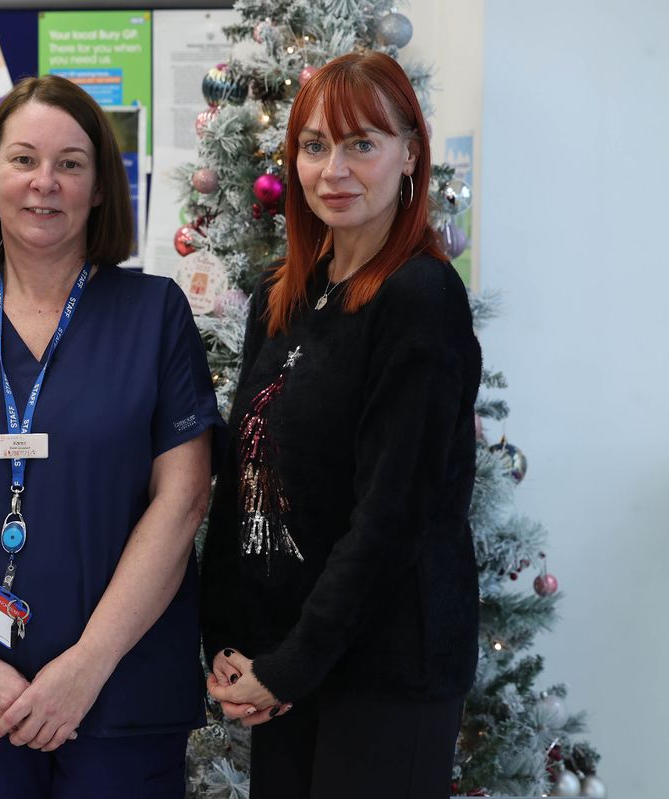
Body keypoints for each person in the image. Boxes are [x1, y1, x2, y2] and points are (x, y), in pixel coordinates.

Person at [0, 74, 221, 798]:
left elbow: (182, 500)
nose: (44, 183)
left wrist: (87, 665)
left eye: (71, 163)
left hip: (122, 694)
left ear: (99, 188)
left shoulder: (154, 315)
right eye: (24, 159)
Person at [201, 51, 481, 799]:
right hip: (289, 663)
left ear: (410, 154)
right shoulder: (280, 294)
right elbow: (245, 482)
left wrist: (291, 664)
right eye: (316, 144)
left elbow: (391, 514)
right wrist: (229, 636)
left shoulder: (419, 297)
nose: (335, 168)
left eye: (364, 143)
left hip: (384, 670)